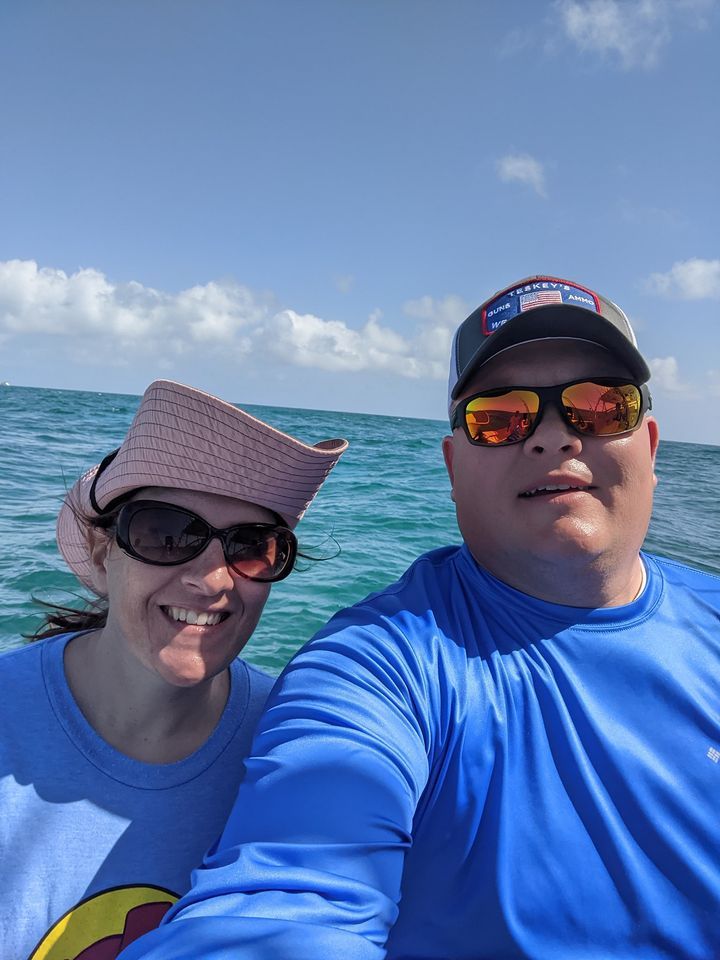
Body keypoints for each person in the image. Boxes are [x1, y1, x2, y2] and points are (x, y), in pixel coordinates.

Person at [119, 279, 720, 960]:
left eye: (600, 406)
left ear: (651, 445)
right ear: (453, 466)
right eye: (501, 417)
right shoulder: (377, 667)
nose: (554, 438)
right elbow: (287, 898)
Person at [0, 379, 346, 960]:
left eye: (250, 546)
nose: (211, 579)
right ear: (104, 547)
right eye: (166, 534)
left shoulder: (296, 745)